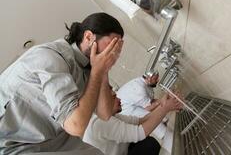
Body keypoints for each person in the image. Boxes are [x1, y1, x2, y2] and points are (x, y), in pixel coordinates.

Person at [0, 13, 124, 155]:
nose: (114, 53)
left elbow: (105, 113)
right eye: (111, 45)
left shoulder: (88, 67)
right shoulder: (51, 57)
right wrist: (97, 71)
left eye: (118, 49)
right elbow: (75, 126)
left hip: (49, 138)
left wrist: (103, 70)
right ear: (89, 37)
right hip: (12, 143)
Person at [83, 89, 183, 155]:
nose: (119, 99)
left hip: (125, 150)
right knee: (149, 145)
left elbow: (141, 120)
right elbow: (140, 132)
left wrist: (162, 104)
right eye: (114, 97)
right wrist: (165, 108)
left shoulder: (112, 116)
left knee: (148, 142)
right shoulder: (98, 122)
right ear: (104, 102)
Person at [116, 73, 167, 139]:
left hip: (130, 105)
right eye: (156, 78)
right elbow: (148, 108)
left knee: (160, 117)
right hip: (127, 110)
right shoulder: (139, 88)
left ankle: (166, 131)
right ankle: (167, 137)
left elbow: (151, 101)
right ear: (149, 78)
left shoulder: (146, 83)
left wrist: (163, 100)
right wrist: (163, 100)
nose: (158, 80)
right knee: (152, 120)